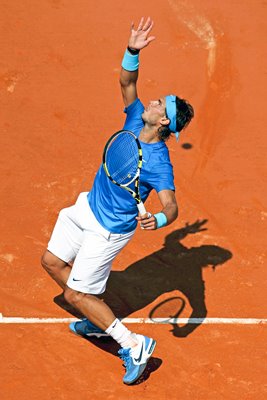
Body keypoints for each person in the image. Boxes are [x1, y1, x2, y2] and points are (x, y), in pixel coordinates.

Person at [41, 17, 194, 385]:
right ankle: (99, 320)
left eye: (160, 104)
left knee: (76, 293)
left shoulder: (159, 164)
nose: (153, 101)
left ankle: (133, 344)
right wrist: (132, 50)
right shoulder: (132, 118)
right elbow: (127, 81)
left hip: (109, 230)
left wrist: (157, 221)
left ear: (163, 122)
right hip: (86, 207)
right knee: (51, 262)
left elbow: (172, 207)